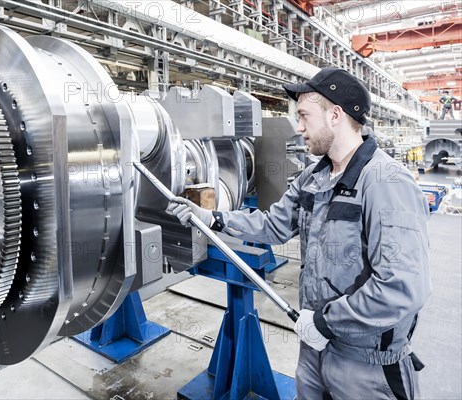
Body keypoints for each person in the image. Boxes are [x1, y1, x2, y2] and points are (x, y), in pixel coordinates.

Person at [168, 68, 431, 399]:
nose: (299, 127)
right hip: (313, 350)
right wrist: (213, 218)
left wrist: (325, 323)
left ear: (335, 115)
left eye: (305, 116)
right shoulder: (314, 177)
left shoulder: (386, 183)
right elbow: (271, 225)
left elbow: (401, 288)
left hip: (366, 367)